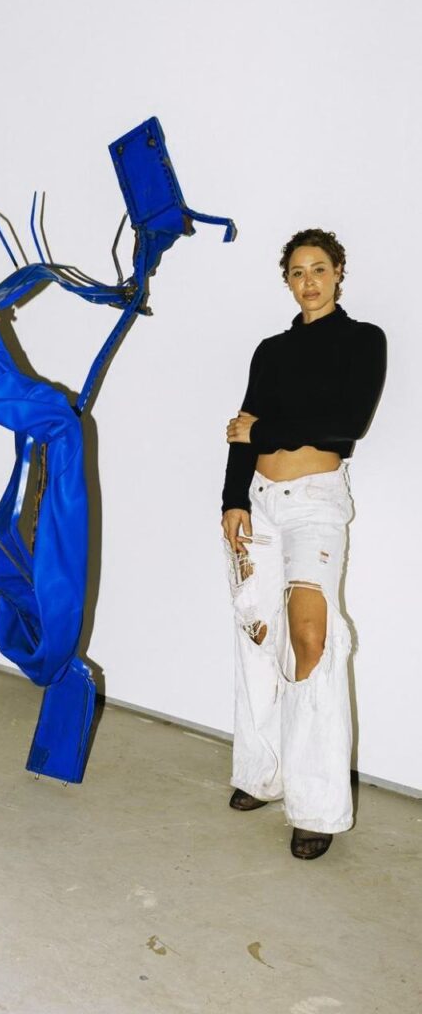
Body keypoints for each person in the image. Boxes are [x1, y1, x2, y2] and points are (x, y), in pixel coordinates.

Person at [221, 228, 386, 859]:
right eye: (297, 272)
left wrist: (266, 430)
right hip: (259, 502)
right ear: (287, 281)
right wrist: (232, 500)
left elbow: (347, 424)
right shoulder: (271, 351)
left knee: (312, 639)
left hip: (315, 502)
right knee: (256, 635)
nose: (309, 281)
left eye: (319, 269)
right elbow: (242, 431)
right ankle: (262, 773)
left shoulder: (362, 340)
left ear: (339, 272)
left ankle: (316, 804)